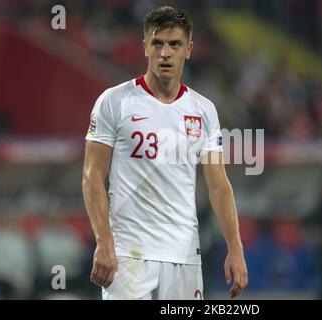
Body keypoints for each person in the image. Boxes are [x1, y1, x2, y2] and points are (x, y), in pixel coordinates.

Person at [82, 6, 248, 300]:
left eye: (175, 44)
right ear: (145, 47)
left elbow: (218, 185)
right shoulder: (114, 101)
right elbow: (92, 175)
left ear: (189, 49)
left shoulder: (203, 110)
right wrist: (104, 241)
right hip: (128, 255)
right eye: (157, 43)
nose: (165, 53)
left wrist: (235, 249)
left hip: (184, 256)